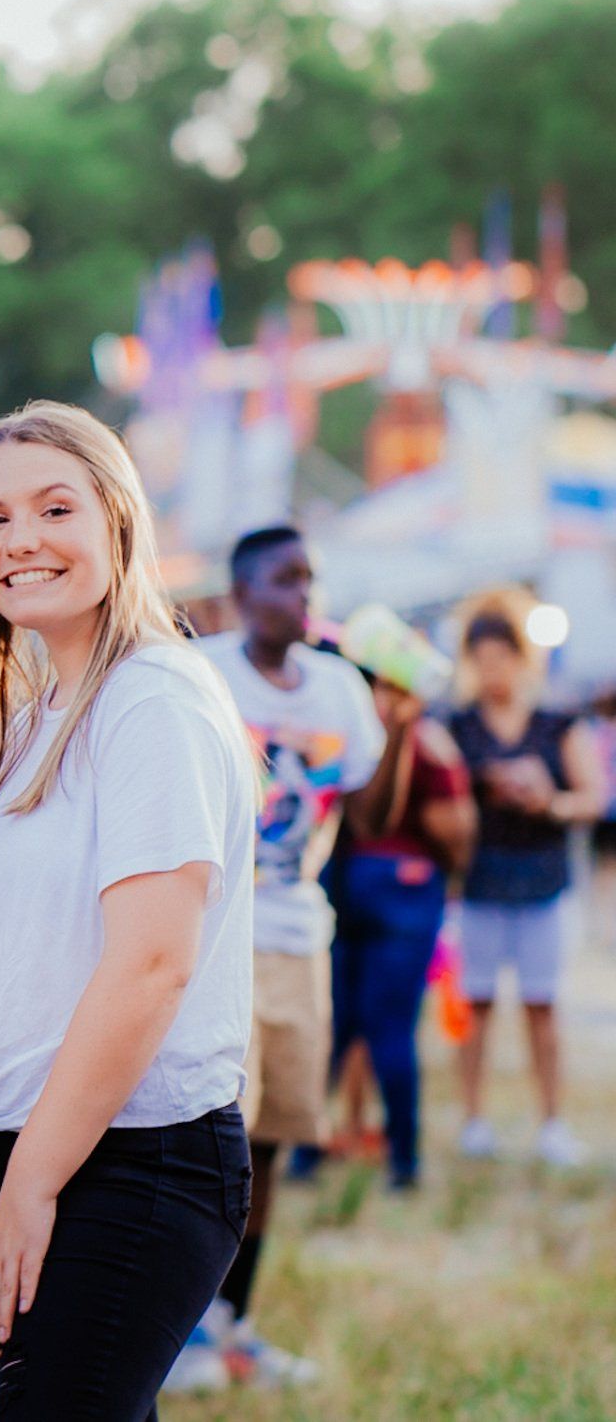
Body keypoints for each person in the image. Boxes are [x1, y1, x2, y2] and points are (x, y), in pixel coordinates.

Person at [0, 402, 257, 1420]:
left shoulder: (152, 700)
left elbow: (151, 967)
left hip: (128, 1163)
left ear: (119, 521)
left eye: (54, 508)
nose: (19, 540)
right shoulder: (35, 720)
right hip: (12, 1152)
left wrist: (29, 1187)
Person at [184, 526, 415, 1391]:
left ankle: (236, 1325)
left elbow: (371, 817)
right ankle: (184, 1331)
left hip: (297, 938)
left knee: (272, 1143)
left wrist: (396, 727)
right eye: (285, 581)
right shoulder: (202, 671)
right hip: (214, 938)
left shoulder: (337, 689)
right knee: (214, 1141)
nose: (304, 597)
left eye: (311, 581)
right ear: (244, 593)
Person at [449, 604, 603, 1167]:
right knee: (477, 1005)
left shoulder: (557, 723)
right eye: (482, 659)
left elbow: (593, 798)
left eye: (502, 658)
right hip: (480, 882)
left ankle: (552, 1121)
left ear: (522, 659)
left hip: (543, 881)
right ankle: (473, 1118)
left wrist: (548, 801)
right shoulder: (458, 724)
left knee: (543, 1006)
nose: (493, 672)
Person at [314, 676, 476, 1190]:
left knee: (334, 1027)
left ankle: (302, 1150)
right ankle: (403, 1161)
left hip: (340, 885)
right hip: (403, 885)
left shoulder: (336, 732)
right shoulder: (428, 741)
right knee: (390, 1030)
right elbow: (456, 834)